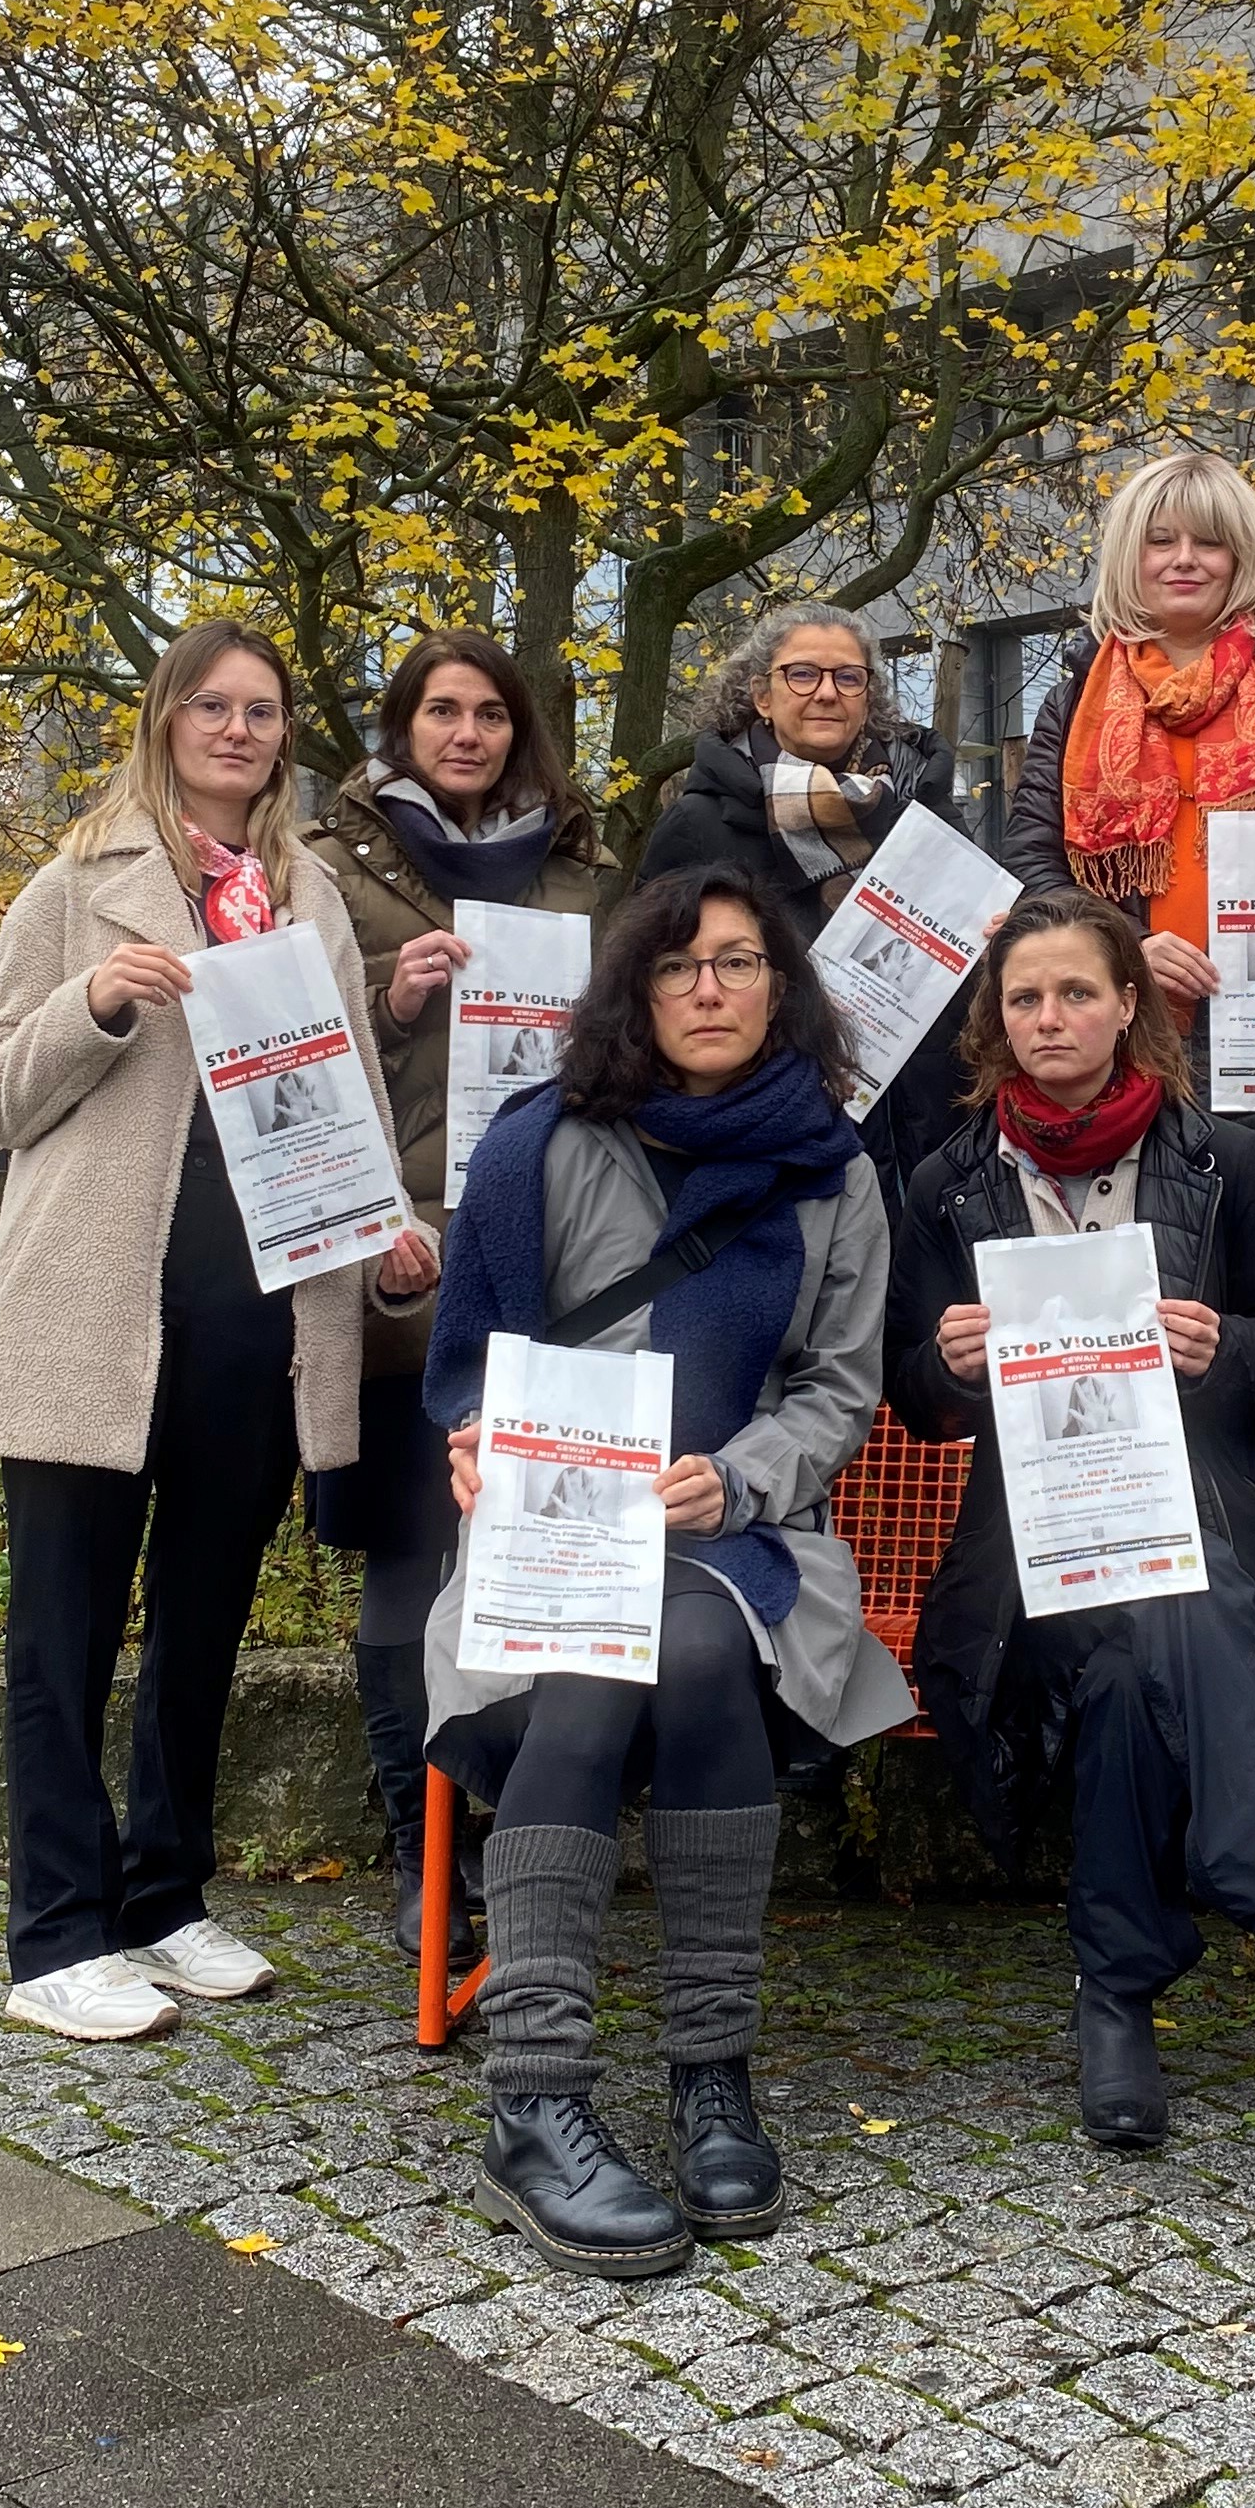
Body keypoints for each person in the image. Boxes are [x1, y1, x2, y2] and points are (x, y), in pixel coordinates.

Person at [421, 863, 910, 2276]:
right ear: (636, 988)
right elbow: (466, 1367)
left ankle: (710, 2075)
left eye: (742, 962)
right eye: (681, 964)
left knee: (691, 1641)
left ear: (784, 990)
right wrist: (468, 1444)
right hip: (547, 1553)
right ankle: (536, 2094)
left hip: (733, 1551)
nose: (711, 987)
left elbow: (837, 1387)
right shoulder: (535, 1144)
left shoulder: (833, 1166)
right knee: (598, 1650)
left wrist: (738, 1477)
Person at [0, 620, 434, 2044]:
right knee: (65, 1629)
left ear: (286, 736)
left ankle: (163, 1899)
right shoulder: (74, 887)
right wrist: (96, 1005)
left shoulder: (309, 899)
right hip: (98, 1317)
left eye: (264, 711)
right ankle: (57, 1931)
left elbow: (342, 1107)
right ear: (166, 720)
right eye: (213, 706)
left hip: (260, 1322)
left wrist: (385, 1246)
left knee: (203, 1627)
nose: (239, 729)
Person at [888, 890, 1255, 2151]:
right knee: (1138, 1617)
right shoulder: (948, 1186)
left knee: (1142, 1647)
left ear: (1131, 1005)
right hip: (1030, 1553)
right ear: (995, 1022)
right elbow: (910, 1390)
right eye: (1026, 997)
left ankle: (1115, 1994)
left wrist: (1222, 1347)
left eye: (1077, 992)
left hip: (1230, 1525)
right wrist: (949, 1362)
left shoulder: (1221, 1163)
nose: (1051, 1017)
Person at [304, 630, 606, 1955]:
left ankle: (511, 1839)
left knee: (537, 1555)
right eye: (443, 711)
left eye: (491, 712)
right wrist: (388, 992)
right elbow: (284, 1051)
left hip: (551, 1244)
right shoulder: (328, 866)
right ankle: (417, 1851)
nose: (469, 733)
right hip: (397, 1252)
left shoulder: (585, 869)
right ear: (401, 728)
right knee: (406, 1564)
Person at [1004, 449, 1255, 1259]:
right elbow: (1030, 870)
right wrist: (1122, 951)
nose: (1185, 560)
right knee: (1130, 1287)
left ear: (1240, 559)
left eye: (1209, 543)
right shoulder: (1075, 695)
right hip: (1122, 1037)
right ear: (1131, 556)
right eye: (1162, 541)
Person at [634, 604, 971, 1204]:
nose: (826, 693)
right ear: (762, 695)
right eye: (802, 674)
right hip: (775, 1135)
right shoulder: (698, 825)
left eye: (848, 677)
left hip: (932, 1126)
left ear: (868, 695)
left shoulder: (923, 808)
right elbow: (645, 984)